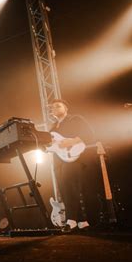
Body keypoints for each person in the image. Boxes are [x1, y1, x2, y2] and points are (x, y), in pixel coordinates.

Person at [49, 99, 95, 232]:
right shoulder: (52, 128)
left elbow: (89, 134)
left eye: (58, 106)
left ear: (66, 108)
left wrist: (73, 141)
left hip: (75, 156)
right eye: (52, 107)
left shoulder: (75, 119)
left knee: (69, 184)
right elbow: (51, 146)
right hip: (58, 160)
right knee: (64, 188)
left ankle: (71, 220)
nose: (54, 108)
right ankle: (82, 221)